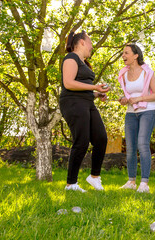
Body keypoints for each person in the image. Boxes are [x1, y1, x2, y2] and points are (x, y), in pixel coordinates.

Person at [60, 30, 110, 192]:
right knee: (81, 141)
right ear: (82, 42)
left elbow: (82, 87)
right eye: (90, 42)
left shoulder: (84, 62)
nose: (92, 46)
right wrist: (94, 87)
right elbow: (68, 83)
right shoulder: (71, 58)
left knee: (101, 138)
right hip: (73, 103)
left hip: (86, 102)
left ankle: (94, 177)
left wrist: (96, 93)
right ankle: (71, 184)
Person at [118, 43, 155, 193]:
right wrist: (124, 99)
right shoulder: (123, 74)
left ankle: (144, 184)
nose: (123, 56)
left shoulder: (146, 72)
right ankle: (131, 181)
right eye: (123, 53)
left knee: (142, 144)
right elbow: (128, 95)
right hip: (131, 113)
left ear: (136, 56)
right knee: (130, 148)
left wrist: (139, 99)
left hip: (147, 112)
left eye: (126, 53)